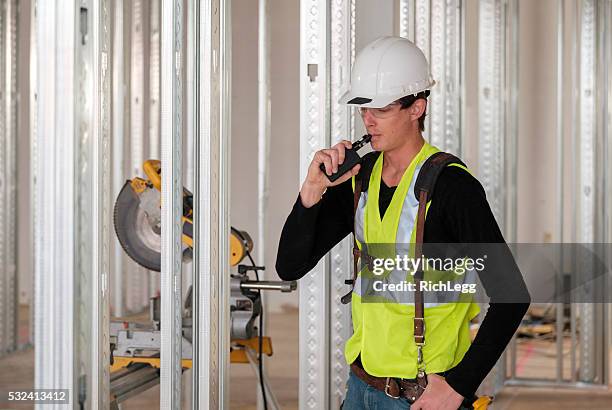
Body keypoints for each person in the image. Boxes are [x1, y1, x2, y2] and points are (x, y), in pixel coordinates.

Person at [276, 36, 530, 410]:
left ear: (417, 108)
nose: (368, 119)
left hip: (421, 396)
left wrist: (459, 386)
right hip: (361, 386)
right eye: (364, 109)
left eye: (381, 109)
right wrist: (312, 190)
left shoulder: (453, 187)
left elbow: (512, 296)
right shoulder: (360, 181)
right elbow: (290, 266)